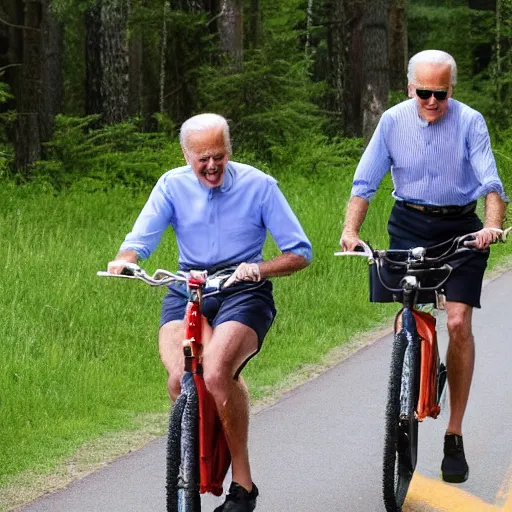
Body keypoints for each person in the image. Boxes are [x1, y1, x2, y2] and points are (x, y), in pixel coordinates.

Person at [107, 113, 312, 511]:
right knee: (180, 378)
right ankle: (191, 472)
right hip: (188, 286)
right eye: (203, 158)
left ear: (229, 150)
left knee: (217, 372)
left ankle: (243, 485)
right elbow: (140, 239)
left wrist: (260, 268)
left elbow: (300, 252)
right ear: (186, 155)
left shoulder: (260, 186)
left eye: (219, 155)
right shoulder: (171, 185)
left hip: (244, 290)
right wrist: (125, 259)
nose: (212, 165)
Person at [340, 50, 506, 484]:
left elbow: (491, 183)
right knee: (407, 316)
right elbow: (365, 183)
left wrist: (491, 226)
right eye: (424, 93)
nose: (432, 102)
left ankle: (453, 433)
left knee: (458, 322)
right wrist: (350, 231)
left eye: (441, 94)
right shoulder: (393, 121)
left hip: (460, 226)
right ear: (410, 87)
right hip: (409, 221)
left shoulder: (470, 122)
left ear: (451, 89)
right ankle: (407, 380)